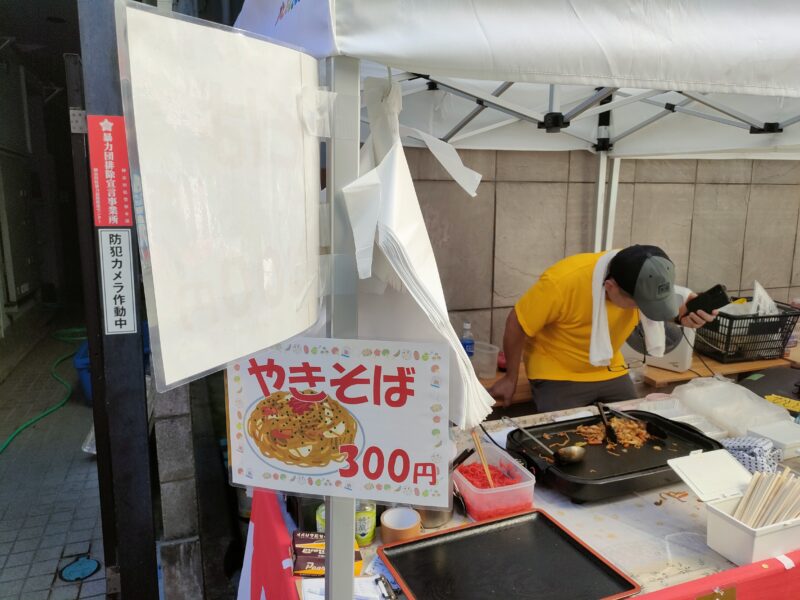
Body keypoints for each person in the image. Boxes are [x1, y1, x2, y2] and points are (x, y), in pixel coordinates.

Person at [488, 245, 715, 412]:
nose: (643, 311)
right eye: (639, 305)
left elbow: (666, 305)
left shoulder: (643, 272)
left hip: (608, 365)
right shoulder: (562, 282)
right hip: (557, 369)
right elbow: (517, 323)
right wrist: (510, 378)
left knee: (635, 427)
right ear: (610, 287)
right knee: (563, 436)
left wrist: (686, 314)